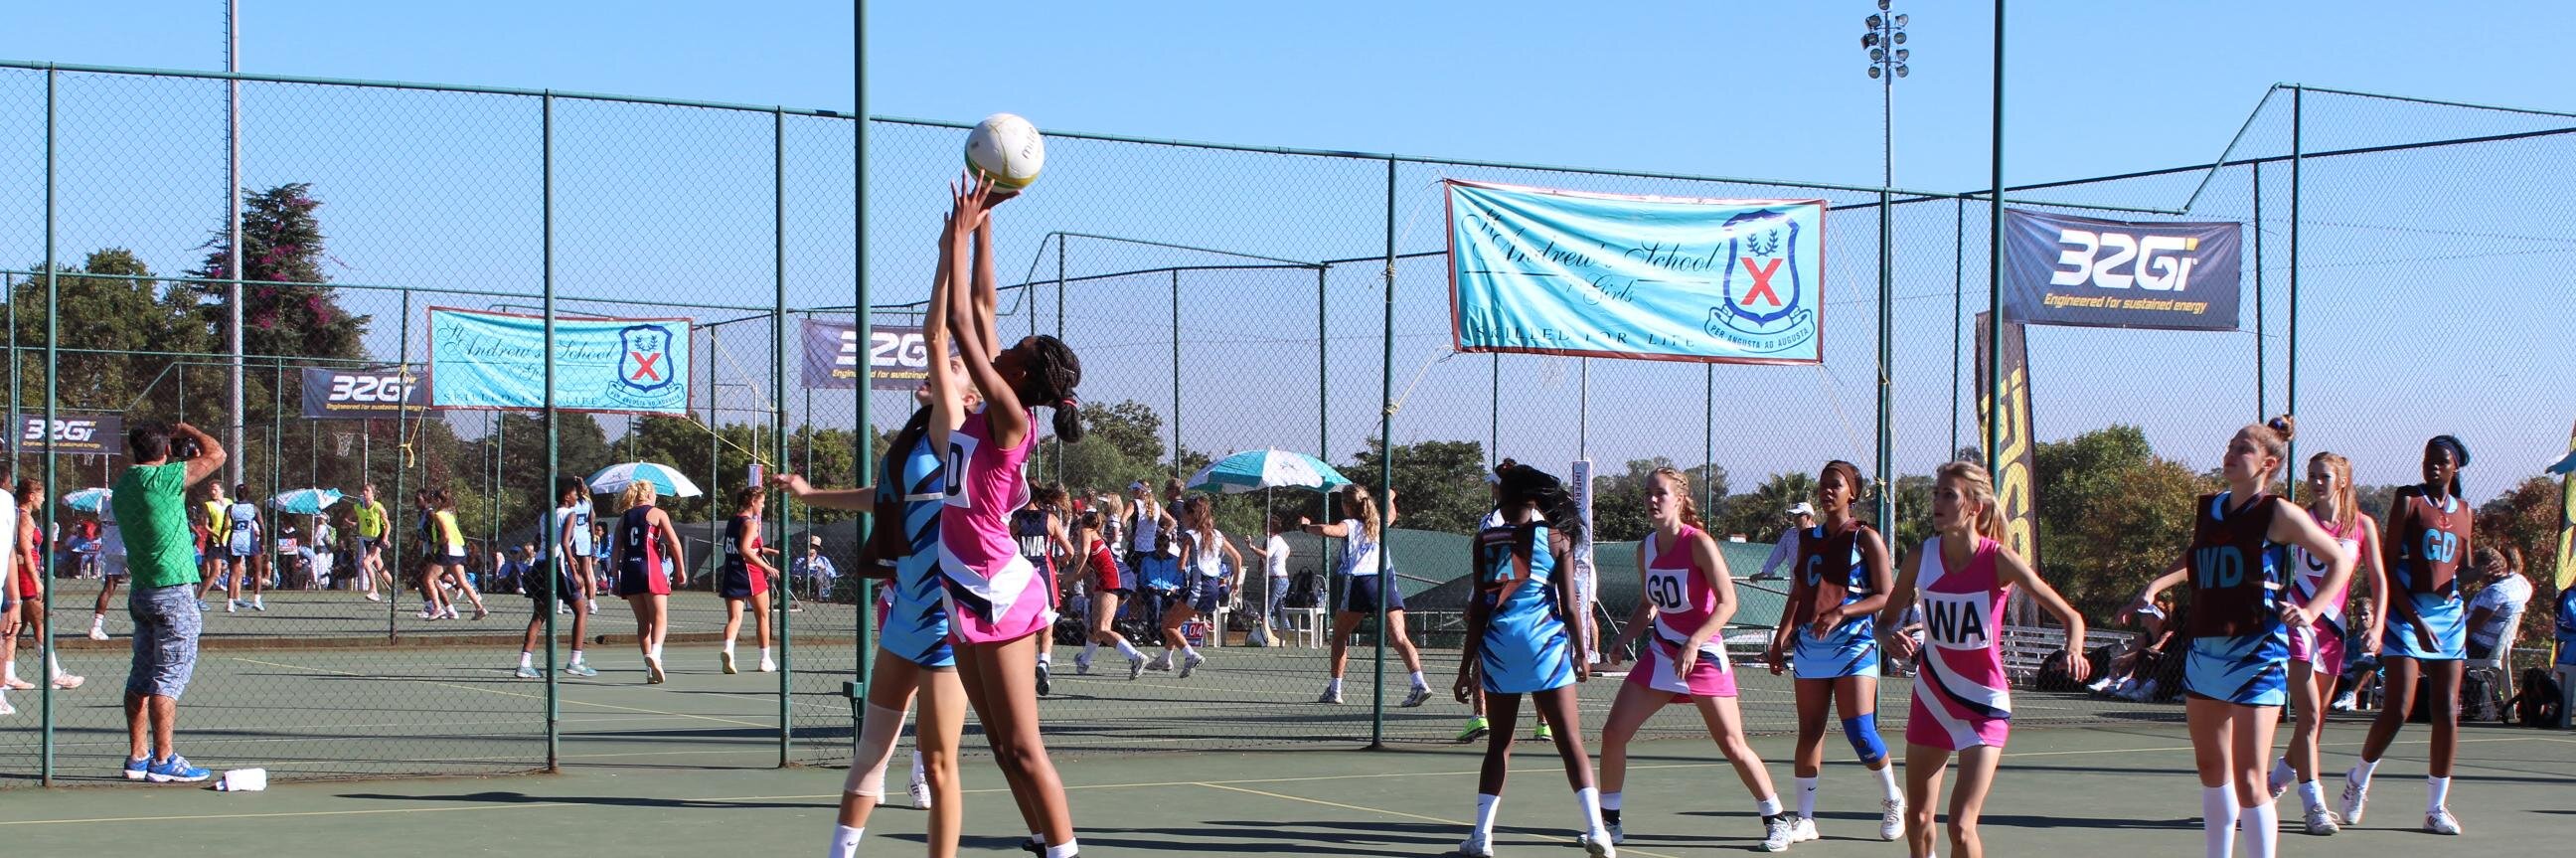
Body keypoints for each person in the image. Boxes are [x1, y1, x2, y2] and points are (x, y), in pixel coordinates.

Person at [926, 174, 1082, 858]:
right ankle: (1046, 843)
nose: (1005, 345)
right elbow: (984, 302)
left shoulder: (1013, 418)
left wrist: (953, 238)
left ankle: (1068, 850)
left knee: (1023, 745)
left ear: (1022, 376)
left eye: (1016, 351)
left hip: (998, 589)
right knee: (998, 746)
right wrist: (986, 222)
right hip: (961, 583)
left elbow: (964, 322)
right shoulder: (997, 403)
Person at [2130, 416, 2354, 858]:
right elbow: (2196, 559)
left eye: (2242, 450)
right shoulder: (2210, 509)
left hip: (2257, 653)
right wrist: (2156, 585)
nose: (2230, 455)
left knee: (2251, 777)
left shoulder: (2277, 513)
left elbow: (2338, 561)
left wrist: (2309, 610)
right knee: (2210, 767)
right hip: (2205, 651)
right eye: (2230, 446)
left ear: (2268, 463)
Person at [780, 350, 976, 857]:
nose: (937, 369)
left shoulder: (953, 434)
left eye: (952, 368)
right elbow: (881, 497)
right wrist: (810, 495)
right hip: (905, 612)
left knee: (936, 765)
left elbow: (942, 336)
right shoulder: (915, 443)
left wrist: (954, 275)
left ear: (971, 398)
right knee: (871, 753)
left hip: (942, 621)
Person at [1878, 461, 2089, 858]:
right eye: (1936, 493)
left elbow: (2071, 616)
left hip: (1984, 705)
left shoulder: (1998, 560)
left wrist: (2074, 649)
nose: (1937, 502)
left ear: (1974, 506)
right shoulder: (1920, 556)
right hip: (1932, 698)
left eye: (1949, 495)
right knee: (1919, 819)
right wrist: (1889, 638)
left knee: (1961, 826)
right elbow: (1885, 623)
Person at [1596, 466, 1795, 852]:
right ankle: (1610, 822)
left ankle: (1777, 820)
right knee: (1613, 733)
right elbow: (1647, 604)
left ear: (1680, 499)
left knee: (1733, 744)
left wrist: (1695, 640)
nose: (1653, 499)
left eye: (1661, 493)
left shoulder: (1699, 543)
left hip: (1701, 656)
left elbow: (1728, 602)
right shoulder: (1647, 548)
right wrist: (1622, 638)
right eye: (1647, 493)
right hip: (1661, 654)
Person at [1452, 463, 1611, 858]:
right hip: (1546, 648)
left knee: (1500, 746)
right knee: (1570, 742)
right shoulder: (1558, 538)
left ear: (1511, 498)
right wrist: (1581, 652)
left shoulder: (1486, 541)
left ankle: (1482, 838)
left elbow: (1479, 610)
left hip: (1502, 649)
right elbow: (1571, 607)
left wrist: (1465, 668)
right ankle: (1598, 831)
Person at [1764, 460, 1903, 844]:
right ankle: (1805, 819)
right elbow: (1798, 593)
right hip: (1811, 645)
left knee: (1859, 730)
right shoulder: (1807, 538)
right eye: (1823, 485)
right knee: (1809, 731)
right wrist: (1781, 637)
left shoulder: (1866, 538)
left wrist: (1842, 610)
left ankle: (1892, 798)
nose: (1827, 491)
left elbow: (1885, 595)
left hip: (1854, 645)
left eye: (1836, 485)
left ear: (1852, 493)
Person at [2342, 434, 2475, 835]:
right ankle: (2358, 780)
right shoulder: (2407, 500)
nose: (2432, 466)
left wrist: (2483, 570)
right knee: (2398, 707)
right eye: (2427, 459)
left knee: (2447, 712)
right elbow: (2384, 563)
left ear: (2455, 468)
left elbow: (2460, 570)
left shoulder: (2466, 510)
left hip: (2448, 620)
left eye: (2441, 461)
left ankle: (2436, 807)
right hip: (2405, 612)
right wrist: (2414, 619)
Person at [2263, 451, 2382, 836]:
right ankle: (2313, 804)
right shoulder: (2298, 520)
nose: (2316, 482)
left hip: (2333, 631)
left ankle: (2275, 781)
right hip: (2297, 621)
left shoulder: (2361, 525)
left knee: (2317, 722)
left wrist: (2377, 627)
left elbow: (2378, 581)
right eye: (2312, 475)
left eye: (2324, 477)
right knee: (2310, 716)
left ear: (2341, 481)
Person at [111, 422, 228, 782]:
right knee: (168, 677)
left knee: (141, 674)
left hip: (142, 590)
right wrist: (188, 430)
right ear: (165, 451)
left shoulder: (124, 484)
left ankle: (137, 756)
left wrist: (170, 446)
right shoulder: (164, 479)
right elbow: (217, 454)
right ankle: (164, 760)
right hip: (172, 591)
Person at [1302, 483, 1435, 707]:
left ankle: (1335, 689)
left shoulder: (1350, 524)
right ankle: (1419, 683)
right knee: (1399, 637)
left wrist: (1306, 527)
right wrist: (1391, 497)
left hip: (1361, 583)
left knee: (1339, 636)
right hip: (1385, 580)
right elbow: (1392, 513)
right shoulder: (1378, 523)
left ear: (1346, 506)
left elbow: (1327, 530)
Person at [516, 477, 600, 679]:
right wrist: (575, 571)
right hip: (557, 565)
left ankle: (524, 664)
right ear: (566, 496)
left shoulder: (546, 515)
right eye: (574, 494)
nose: (576, 497)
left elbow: (541, 539)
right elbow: (564, 543)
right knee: (581, 610)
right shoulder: (569, 514)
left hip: (540, 564)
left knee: (539, 616)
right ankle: (575, 661)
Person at [1154, 495, 1242, 679]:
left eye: (1183, 515)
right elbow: (1237, 558)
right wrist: (1234, 583)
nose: (1182, 519)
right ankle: (1165, 658)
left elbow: (1181, 564)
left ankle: (1190, 655)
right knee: (1174, 622)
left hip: (1198, 588)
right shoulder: (1217, 535)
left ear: (1190, 515)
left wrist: (1180, 564)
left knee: (1167, 626)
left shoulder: (1190, 536)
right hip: (1214, 589)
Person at [5, 478, 80, 693]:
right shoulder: (24, 518)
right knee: (42, 623)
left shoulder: (21, 516)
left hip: (24, 574)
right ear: (30, 496)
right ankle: (54, 675)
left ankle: (7, 673)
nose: (44, 499)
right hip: (25, 576)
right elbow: (25, 552)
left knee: (17, 627)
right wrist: (36, 580)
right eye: (41, 494)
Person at [611, 480, 688, 684]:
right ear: (650, 494)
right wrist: (680, 569)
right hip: (650, 567)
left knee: (643, 623)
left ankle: (649, 670)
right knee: (660, 618)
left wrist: (614, 577)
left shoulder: (624, 518)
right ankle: (655, 654)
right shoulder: (657, 514)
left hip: (630, 570)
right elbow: (673, 542)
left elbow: (616, 550)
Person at [1070, 504, 1146, 679]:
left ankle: (1135, 657)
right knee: (1097, 625)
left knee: (1103, 628)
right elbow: (1081, 573)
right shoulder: (1100, 541)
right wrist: (1061, 576)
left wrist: (1074, 570)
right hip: (1123, 579)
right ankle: (1084, 660)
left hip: (1111, 580)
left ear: (1084, 523)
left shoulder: (1087, 531)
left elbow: (1083, 554)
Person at [1013, 486, 1073, 692]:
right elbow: (1070, 551)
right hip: (1045, 577)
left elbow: (1002, 542)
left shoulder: (1015, 519)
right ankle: (1044, 663)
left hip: (1022, 576)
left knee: (1025, 627)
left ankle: (1023, 671)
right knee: (1047, 625)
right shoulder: (1050, 520)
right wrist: (1058, 562)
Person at [718, 485, 781, 674]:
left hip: (731, 573)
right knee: (763, 616)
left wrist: (768, 551)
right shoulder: (751, 523)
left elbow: (743, 547)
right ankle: (765, 660)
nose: (763, 506)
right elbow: (745, 550)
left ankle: (728, 649)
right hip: (750, 574)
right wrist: (766, 566)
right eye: (761, 503)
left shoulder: (733, 521)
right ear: (752, 502)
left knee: (735, 618)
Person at [2465, 547, 2532, 707]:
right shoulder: (2520, 583)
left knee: (2427, 648)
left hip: (2479, 646)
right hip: (2497, 644)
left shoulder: (2494, 593)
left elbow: (2470, 628)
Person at [425, 490, 487, 620]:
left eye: (434, 498)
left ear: (439, 500)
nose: (432, 501)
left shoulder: (439, 515)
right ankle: (480, 608)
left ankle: (437, 608)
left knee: (428, 579)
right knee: (462, 582)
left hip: (449, 549)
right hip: (459, 549)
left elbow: (446, 536)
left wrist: (434, 546)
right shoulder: (450, 513)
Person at [1240, 512, 1294, 648]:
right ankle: (1288, 634)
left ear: (1270, 527)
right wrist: (1279, 561)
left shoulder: (1274, 540)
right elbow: (1287, 550)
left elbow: (1267, 555)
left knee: (1265, 611)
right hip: (1283, 578)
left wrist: (1251, 547)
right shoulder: (1280, 540)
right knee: (1280, 609)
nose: (1262, 528)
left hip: (1276, 579)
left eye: (1264, 525)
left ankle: (1271, 636)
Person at [215, 483, 267, 612]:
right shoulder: (253, 508)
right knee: (257, 570)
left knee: (234, 572)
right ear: (248, 494)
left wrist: (222, 541)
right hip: (249, 540)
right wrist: (263, 543)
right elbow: (262, 527)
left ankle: (230, 604)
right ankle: (257, 600)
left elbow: (225, 526)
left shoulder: (230, 508)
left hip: (235, 539)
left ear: (236, 494)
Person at [87, 490, 129, 640]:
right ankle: (146, 625)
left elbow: (100, 517)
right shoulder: (131, 499)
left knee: (109, 585)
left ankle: (96, 627)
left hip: (110, 547)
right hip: (127, 546)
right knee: (141, 586)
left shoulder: (108, 500)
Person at [348, 484, 391, 601]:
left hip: (378, 538)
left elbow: (387, 525)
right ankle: (397, 590)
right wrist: (352, 523)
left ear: (373, 494)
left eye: (367, 490)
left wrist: (385, 537)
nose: (364, 492)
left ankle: (374, 591)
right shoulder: (358, 507)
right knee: (379, 566)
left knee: (366, 563)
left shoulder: (378, 507)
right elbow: (347, 518)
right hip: (367, 539)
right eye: (363, 490)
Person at [1754, 502, 1817, 582]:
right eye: (1793, 516)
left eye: (1797, 516)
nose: (1794, 519)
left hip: (1814, 584)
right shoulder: (1789, 534)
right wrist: (1764, 572)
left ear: (1808, 517)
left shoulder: (1819, 535)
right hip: (1795, 583)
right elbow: (1777, 554)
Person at [793, 535, 837, 601]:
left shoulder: (823, 560)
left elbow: (833, 574)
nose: (811, 548)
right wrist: (804, 564)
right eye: (810, 545)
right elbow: (794, 572)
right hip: (806, 581)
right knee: (819, 574)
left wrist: (824, 568)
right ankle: (822, 596)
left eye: (814, 546)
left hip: (823, 580)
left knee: (821, 572)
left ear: (817, 548)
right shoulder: (800, 559)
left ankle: (821, 595)